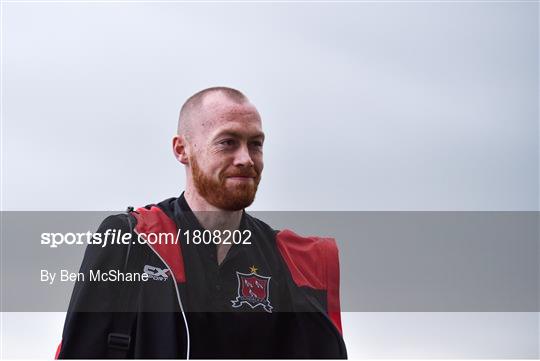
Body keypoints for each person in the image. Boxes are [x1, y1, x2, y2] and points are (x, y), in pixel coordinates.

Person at [56, 87, 348, 359]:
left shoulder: (291, 261)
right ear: (182, 149)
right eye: (228, 143)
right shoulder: (130, 241)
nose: (246, 158)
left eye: (255, 144)